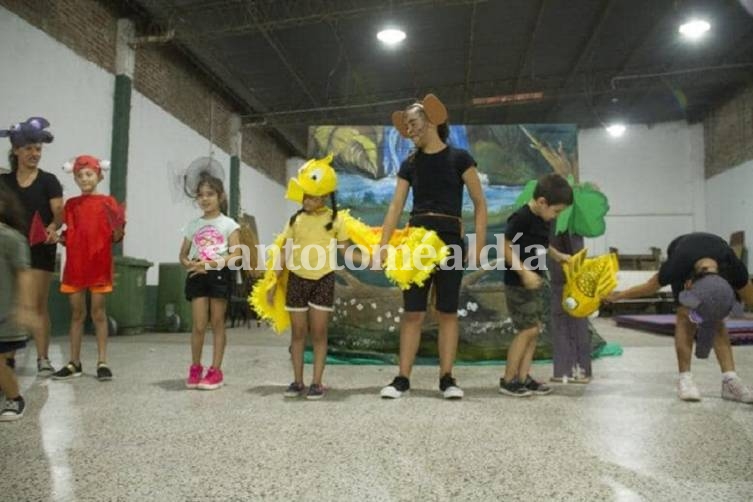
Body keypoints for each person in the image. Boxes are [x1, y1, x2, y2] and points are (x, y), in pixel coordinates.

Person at [378, 94, 487, 400]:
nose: (409, 129)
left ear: (432, 121)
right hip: (416, 243)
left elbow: (480, 204)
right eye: (407, 124)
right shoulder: (410, 163)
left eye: (413, 122)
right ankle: (402, 378)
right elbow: (395, 206)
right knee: (413, 312)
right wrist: (383, 246)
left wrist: (478, 245)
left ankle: (447, 378)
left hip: (451, 242)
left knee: (447, 312)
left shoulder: (460, 158)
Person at [608, 232, 753, 403]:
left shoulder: (733, 267)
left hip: (713, 250)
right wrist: (618, 296)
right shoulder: (676, 266)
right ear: (689, 284)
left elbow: (750, 298)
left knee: (716, 318)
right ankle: (685, 378)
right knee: (685, 316)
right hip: (680, 248)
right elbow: (649, 287)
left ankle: (730, 380)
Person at [266, 155, 361, 400]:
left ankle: (316, 382)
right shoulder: (295, 220)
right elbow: (284, 251)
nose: (308, 200)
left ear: (325, 196)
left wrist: (373, 261)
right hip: (297, 280)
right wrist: (273, 281)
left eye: (313, 196)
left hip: (323, 280)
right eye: (305, 195)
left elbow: (346, 251)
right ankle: (297, 381)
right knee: (298, 333)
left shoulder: (335, 220)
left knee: (319, 332)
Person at [51, 156, 124, 381]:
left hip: (99, 267)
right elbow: (69, 233)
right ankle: (74, 363)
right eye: (80, 175)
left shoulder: (108, 202)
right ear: (74, 178)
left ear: (99, 175)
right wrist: (57, 237)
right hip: (75, 267)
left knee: (99, 313)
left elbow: (117, 234)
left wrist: (118, 229)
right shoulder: (71, 205)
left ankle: (102, 362)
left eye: (89, 174)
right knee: (77, 314)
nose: (84, 179)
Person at [499, 173, 573, 397]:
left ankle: (523, 377)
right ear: (542, 202)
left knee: (534, 330)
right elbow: (504, 245)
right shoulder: (521, 218)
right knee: (527, 329)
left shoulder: (542, 219)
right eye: (556, 211)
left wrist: (560, 255)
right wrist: (523, 273)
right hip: (518, 284)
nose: (555, 216)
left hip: (535, 283)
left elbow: (542, 244)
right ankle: (508, 379)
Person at [0, 117, 62, 376]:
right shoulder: (4, 182)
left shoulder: (49, 181)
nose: (34, 154)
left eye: (38, 149)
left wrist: (52, 227)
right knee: (10, 303)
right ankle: (9, 358)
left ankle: (43, 358)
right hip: (10, 251)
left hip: (40, 249)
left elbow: (59, 212)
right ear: (16, 150)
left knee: (37, 304)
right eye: (28, 148)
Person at [180, 173, 240, 390]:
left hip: (218, 275)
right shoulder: (193, 225)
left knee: (217, 323)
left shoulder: (229, 224)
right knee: (198, 325)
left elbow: (235, 256)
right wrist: (190, 264)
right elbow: (183, 254)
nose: (205, 199)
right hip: (197, 276)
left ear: (220, 196)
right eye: (201, 195)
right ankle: (195, 367)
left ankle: (216, 370)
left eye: (210, 194)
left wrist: (211, 264)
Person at [0, 181, 42, 420]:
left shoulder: (10, 238)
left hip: (5, 315)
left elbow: (24, 275)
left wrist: (26, 308)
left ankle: (15, 398)